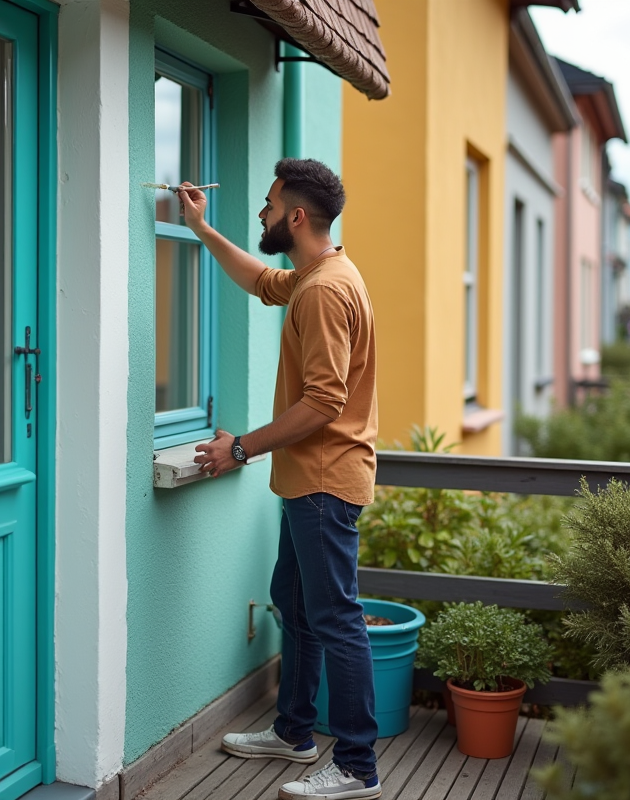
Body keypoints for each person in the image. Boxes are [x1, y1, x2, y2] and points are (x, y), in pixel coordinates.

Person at [180, 159, 380, 800]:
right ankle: (293, 731)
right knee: (295, 604)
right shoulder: (320, 274)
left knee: (335, 617)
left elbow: (323, 401)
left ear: (296, 215)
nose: (261, 214)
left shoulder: (323, 291)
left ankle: (355, 767)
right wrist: (202, 230)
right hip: (311, 480)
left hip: (323, 482)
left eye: (268, 205)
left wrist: (239, 447)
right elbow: (264, 282)